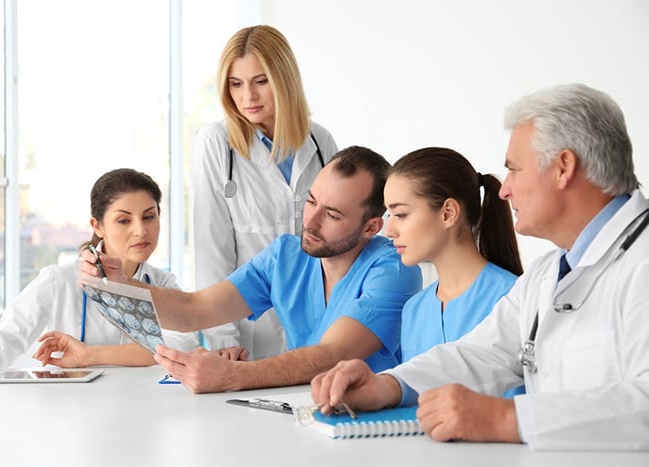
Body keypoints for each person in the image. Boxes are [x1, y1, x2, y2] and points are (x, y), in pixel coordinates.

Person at [310, 83, 649, 451]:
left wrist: (505, 418)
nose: (504, 191)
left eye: (515, 170)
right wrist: (388, 385)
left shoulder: (640, 261)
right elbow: (483, 353)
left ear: (563, 167)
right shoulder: (545, 275)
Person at [81, 146, 422, 393]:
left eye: (332, 215)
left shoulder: (394, 268)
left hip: (372, 427)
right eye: (311, 201)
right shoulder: (287, 257)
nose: (310, 222)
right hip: (304, 408)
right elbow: (194, 309)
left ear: (371, 227)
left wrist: (230, 375)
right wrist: (120, 282)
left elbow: (331, 355)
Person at [0, 168, 200, 373]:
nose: (141, 230)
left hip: (146, 413)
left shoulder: (163, 284)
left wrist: (90, 355)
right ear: (97, 225)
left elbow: (181, 348)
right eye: (124, 220)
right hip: (74, 418)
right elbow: (6, 341)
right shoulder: (58, 281)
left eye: (149, 217)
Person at [191, 25, 338, 361]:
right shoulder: (215, 144)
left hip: (318, 324)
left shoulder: (320, 142)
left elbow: (340, 238)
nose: (248, 97)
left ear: (285, 80)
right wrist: (222, 336)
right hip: (247, 333)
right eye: (236, 84)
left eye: (261, 81)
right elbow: (211, 248)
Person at [384, 148, 523, 376]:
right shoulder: (413, 310)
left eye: (400, 214)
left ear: (448, 213)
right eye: (389, 216)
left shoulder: (514, 299)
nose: (389, 231)